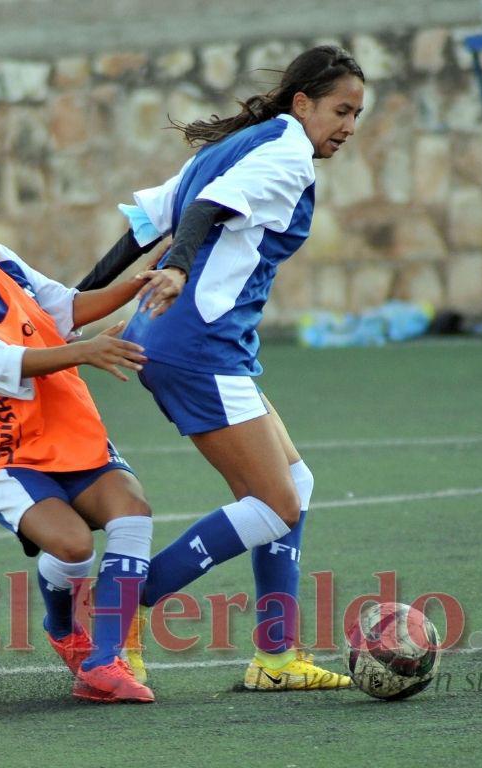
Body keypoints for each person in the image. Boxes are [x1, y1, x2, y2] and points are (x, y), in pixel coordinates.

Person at [77, 45, 365, 690]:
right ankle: (121, 606)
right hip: (197, 346)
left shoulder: (235, 146)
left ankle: (276, 658)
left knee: (294, 483)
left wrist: (73, 303)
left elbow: (141, 230)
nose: (349, 126)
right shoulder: (287, 154)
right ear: (303, 104)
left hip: (196, 342)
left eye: (357, 114)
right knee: (276, 504)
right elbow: (202, 212)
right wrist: (178, 268)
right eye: (341, 110)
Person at [0, 171, 169, 704]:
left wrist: (142, 281)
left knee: (133, 513)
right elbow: (8, 364)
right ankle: (63, 628)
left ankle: (103, 661)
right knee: (74, 548)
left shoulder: (1, 261)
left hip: (72, 431)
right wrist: (87, 350)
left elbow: (66, 308)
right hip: (6, 455)